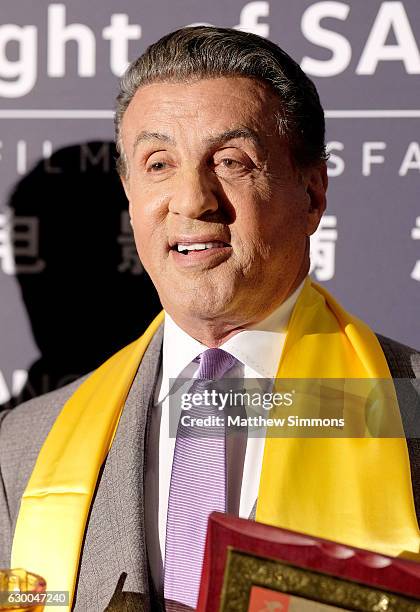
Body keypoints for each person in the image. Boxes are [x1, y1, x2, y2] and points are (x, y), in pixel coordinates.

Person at [0, 26, 419, 612]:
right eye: (158, 163)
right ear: (129, 194)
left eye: (231, 160)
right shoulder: (23, 448)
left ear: (313, 191)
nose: (193, 199)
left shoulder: (411, 405)